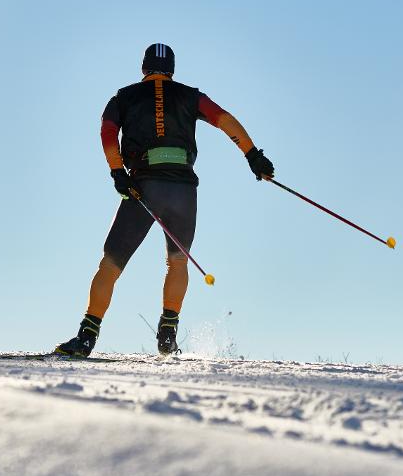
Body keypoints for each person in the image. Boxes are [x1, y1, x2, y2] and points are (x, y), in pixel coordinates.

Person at [55, 43, 274, 357]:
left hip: (144, 188)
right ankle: (168, 337)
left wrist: (117, 171)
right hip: (183, 190)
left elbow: (107, 132)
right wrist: (252, 155)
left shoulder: (123, 97)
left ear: (144, 67)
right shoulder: (191, 96)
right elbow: (225, 119)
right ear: (172, 69)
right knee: (178, 262)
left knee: (111, 263)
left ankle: (86, 337)